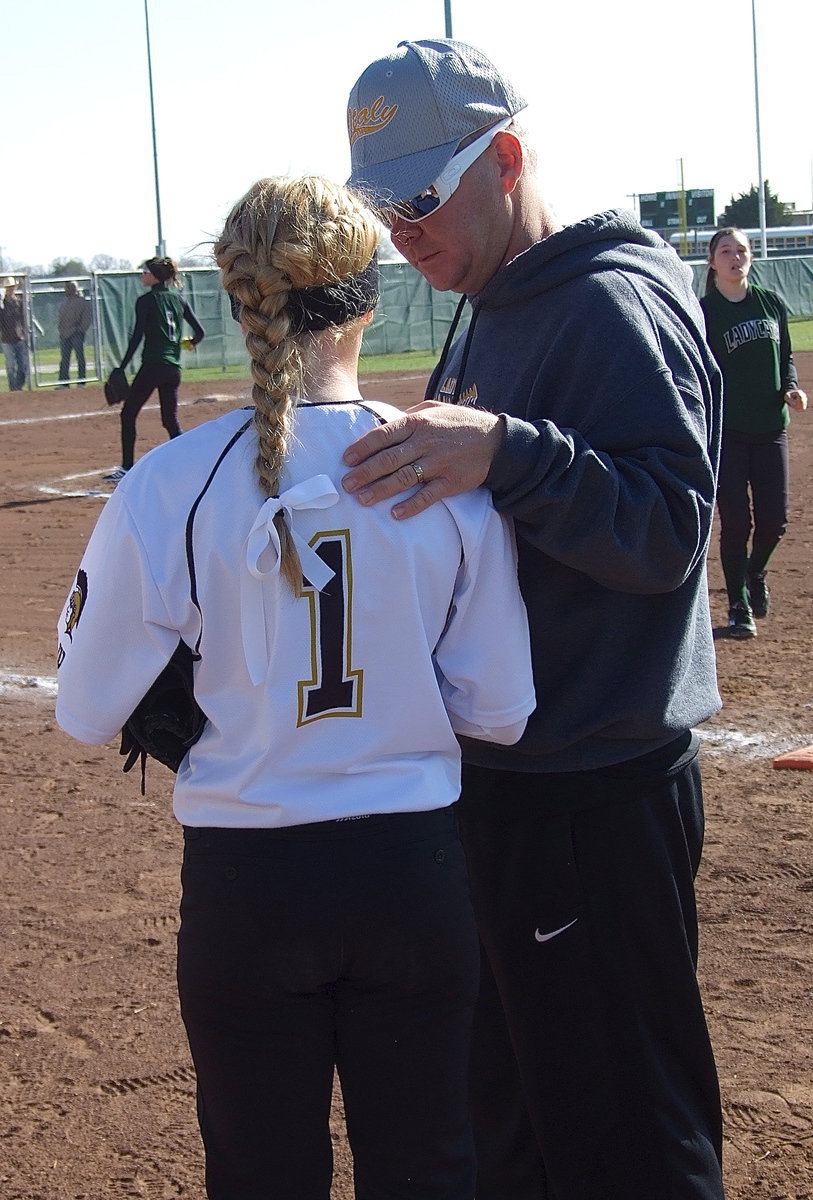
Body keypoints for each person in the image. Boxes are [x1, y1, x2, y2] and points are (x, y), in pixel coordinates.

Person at [55, 174, 535, 1200]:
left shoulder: (170, 482)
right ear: (368, 303)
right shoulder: (445, 465)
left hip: (249, 885)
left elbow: (87, 709)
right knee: (429, 1170)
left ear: (238, 301)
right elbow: (498, 712)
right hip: (413, 870)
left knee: (260, 1174)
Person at [343, 38, 726, 1200]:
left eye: (419, 197)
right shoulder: (490, 301)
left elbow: (667, 530)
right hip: (511, 790)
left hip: (589, 797)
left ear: (505, 160)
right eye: (380, 206)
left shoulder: (606, 304)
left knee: (627, 1144)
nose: (400, 232)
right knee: (513, 1131)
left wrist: (507, 450)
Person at [700, 227, 808, 639]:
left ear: (751, 256)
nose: (735, 257)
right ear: (712, 262)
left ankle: (755, 571)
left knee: (774, 521)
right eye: (726, 251)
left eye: (741, 250)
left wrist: (790, 387)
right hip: (728, 433)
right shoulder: (705, 312)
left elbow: (786, 356)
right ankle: (738, 606)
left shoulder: (771, 303)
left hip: (770, 428)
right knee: (736, 523)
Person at [104, 256, 205, 484]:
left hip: (153, 365)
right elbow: (200, 333)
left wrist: (121, 367)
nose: (142, 275)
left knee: (128, 414)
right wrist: (188, 344)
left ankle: (126, 468)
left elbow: (137, 336)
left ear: (155, 276)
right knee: (170, 420)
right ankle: (190, 464)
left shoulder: (146, 301)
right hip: (173, 369)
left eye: (145, 272)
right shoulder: (179, 300)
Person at [57, 281, 92, 387]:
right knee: (64, 358)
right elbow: (61, 316)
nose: (66, 290)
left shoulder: (82, 301)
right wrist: (61, 329)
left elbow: (87, 318)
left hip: (77, 333)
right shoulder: (65, 301)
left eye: (68, 288)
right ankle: (64, 382)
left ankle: (81, 381)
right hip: (65, 333)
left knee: (80, 357)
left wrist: (80, 329)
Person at [1, 276, 29, 391]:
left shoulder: (19, 302)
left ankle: (19, 386)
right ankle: (13, 388)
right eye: (8, 287)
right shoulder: (2, 304)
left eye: (12, 287)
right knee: (10, 365)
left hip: (19, 337)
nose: (10, 289)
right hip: (6, 338)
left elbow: (24, 318)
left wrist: (24, 332)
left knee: (22, 365)